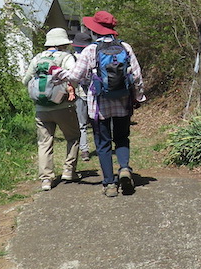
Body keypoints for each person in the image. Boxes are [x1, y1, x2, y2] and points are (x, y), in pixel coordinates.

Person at [53, 10, 146, 198]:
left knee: (103, 144)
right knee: (121, 138)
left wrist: (58, 73)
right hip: (122, 102)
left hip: (99, 105)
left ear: (95, 30)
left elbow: (76, 77)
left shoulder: (90, 50)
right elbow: (136, 76)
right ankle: (125, 168)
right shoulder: (125, 48)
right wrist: (138, 97)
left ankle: (110, 184)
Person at [21, 27, 80, 190]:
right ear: (63, 43)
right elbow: (74, 76)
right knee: (73, 136)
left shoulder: (37, 58)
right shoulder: (66, 57)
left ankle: (46, 179)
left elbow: (25, 80)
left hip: (41, 108)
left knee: (44, 143)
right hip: (63, 106)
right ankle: (69, 170)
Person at [71, 29, 95, 167]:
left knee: (82, 124)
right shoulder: (93, 55)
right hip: (95, 93)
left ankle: (84, 150)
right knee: (96, 122)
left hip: (80, 93)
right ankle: (102, 146)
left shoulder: (73, 58)